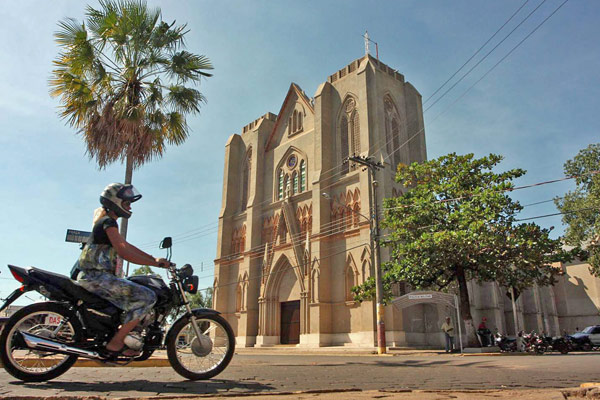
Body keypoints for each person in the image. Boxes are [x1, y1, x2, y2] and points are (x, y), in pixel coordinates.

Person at [76, 183, 169, 357]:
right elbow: (123, 250)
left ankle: (118, 335)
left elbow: (126, 245)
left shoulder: (107, 222)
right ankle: (116, 342)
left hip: (95, 277)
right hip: (96, 277)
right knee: (147, 296)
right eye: (126, 203)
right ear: (115, 202)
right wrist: (156, 264)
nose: (130, 206)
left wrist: (154, 259)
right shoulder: (108, 222)